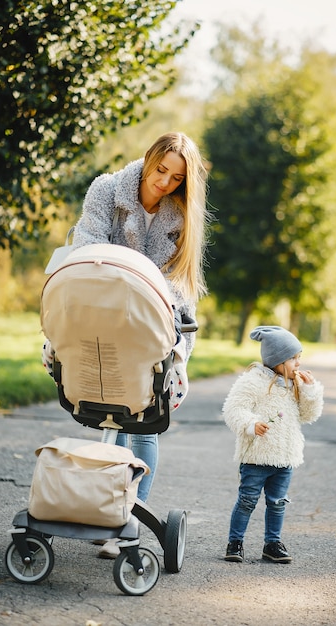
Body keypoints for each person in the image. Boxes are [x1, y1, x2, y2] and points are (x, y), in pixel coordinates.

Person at [42, 132, 210, 557]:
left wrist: (180, 356)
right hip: (100, 311)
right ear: (149, 158)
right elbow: (87, 248)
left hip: (145, 325)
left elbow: (180, 293)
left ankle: (128, 520)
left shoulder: (180, 216)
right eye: (161, 170)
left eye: (176, 179)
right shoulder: (106, 189)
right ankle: (104, 508)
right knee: (106, 417)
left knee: (143, 415)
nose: (164, 183)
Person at [222, 325, 324, 564]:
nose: (298, 364)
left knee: (278, 503)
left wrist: (310, 391)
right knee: (247, 500)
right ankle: (235, 542)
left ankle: (272, 544)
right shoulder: (253, 381)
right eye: (293, 358)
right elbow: (233, 408)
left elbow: (309, 415)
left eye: (299, 357)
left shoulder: (294, 385)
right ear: (277, 359)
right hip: (256, 456)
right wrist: (251, 423)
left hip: (285, 456)